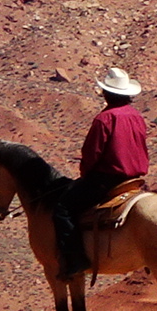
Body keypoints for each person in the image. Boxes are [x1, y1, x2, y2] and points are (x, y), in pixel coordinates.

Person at [53, 68, 150, 278]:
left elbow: (92, 153)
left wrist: (85, 174)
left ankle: (76, 260)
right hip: (135, 180)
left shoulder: (104, 119)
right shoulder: (136, 117)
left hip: (107, 179)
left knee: (62, 208)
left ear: (107, 93)